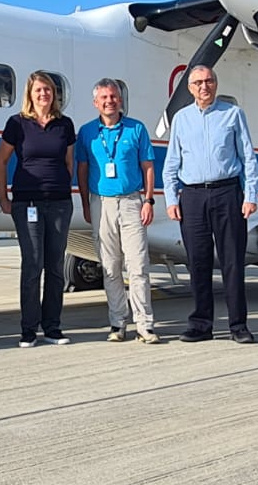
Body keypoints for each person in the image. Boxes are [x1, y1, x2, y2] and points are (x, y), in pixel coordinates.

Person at [161, 64, 258, 344]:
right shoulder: (181, 119)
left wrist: (250, 195)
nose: (204, 87)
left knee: (233, 261)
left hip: (227, 193)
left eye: (209, 81)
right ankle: (201, 325)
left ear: (216, 84)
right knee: (198, 262)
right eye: (198, 83)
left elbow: (248, 157)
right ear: (190, 88)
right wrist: (171, 198)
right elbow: (172, 162)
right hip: (192, 196)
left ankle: (238, 325)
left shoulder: (233, 114)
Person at [75, 78, 161, 345]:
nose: (109, 101)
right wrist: (86, 204)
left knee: (138, 265)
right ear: (95, 103)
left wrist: (148, 200)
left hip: (132, 201)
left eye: (113, 97)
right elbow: (82, 170)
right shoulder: (87, 132)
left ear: (120, 100)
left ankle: (144, 325)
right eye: (104, 98)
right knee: (110, 266)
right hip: (101, 203)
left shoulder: (136, 128)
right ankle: (117, 323)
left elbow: (147, 166)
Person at [0, 70, 77, 348]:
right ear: (30, 94)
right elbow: (2, 161)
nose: (44, 94)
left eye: (48, 89)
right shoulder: (17, 123)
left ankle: (52, 327)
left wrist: (59, 187)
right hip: (27, 202)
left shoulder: (64, 124)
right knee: (32, 264)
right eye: (38, 90)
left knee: (55, 265)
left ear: (54, 94)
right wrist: (3, 197)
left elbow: (69, 162)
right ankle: (28, 328)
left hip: (59, 203)